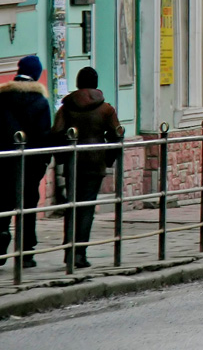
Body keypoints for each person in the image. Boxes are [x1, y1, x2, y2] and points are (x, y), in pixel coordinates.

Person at [52, 67, 122, 269]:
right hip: (95, 161)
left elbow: (56, 132)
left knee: (72, 205)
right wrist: (107, 158)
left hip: (74, 161)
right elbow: (117, 136)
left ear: (78, 82)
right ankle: (80, 254)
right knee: (87, 207)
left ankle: (69, 251)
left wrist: (63, 155)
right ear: (96, 84)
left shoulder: (66, 107)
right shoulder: (106, 109)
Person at [0, 56, 53, 268]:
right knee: (28, 206)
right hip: (31, 164)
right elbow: (44, 136)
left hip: (3, 162)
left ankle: (1, 241)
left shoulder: (2, 98)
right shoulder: (40, 102)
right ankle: (26, 252)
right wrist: (42, 164)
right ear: (37, 74)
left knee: (3, 203)